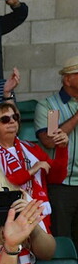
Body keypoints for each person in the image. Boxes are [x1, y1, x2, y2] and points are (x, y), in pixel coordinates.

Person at [0, 102, 68, 228]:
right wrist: (31, 171)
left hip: (39, 216)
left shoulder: (31, 147)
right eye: (5, 119)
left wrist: (62, 149)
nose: (12, 121)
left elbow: (56, 178)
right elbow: (4, 182)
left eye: (15, 117)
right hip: (7, 219)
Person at [35, 56, 78, 243]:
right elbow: (50, 141)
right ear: (67, 79)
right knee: (63, 239)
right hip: (62, 186)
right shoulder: (50, 106)